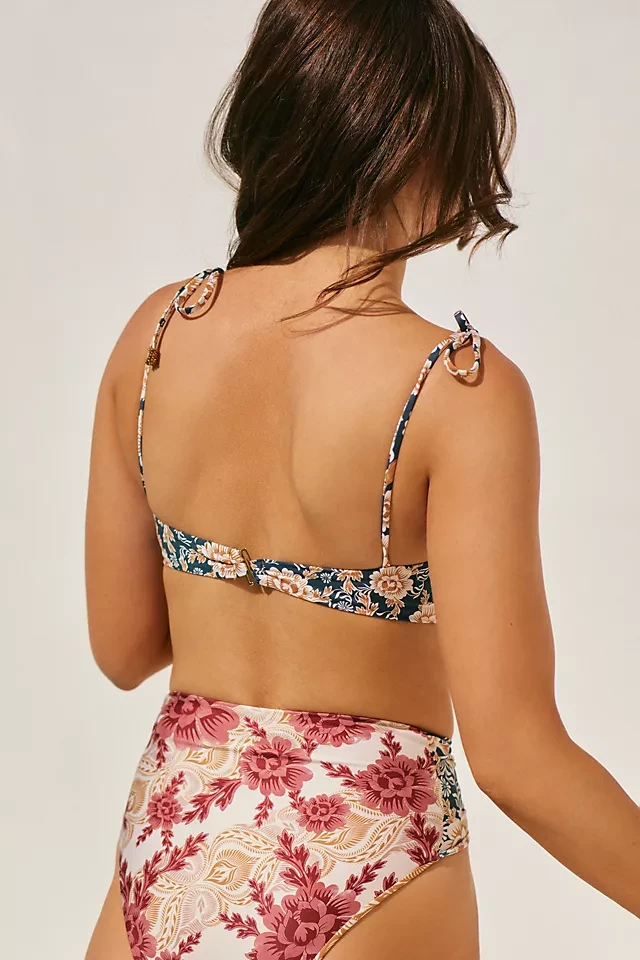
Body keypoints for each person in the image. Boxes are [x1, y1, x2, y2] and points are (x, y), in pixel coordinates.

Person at [85, 2, 640, 958]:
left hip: (170, 844)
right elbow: (519, 757)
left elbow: (124, 648)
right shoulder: (456, 390)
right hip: (368, 864)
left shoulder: (157, 335)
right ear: (418, 142)